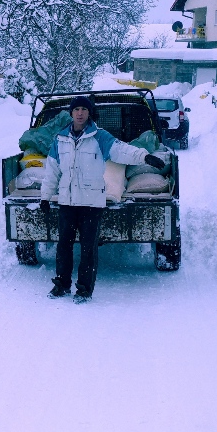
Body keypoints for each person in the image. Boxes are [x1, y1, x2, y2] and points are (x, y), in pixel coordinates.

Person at [39, 96, 165, 303]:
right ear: (71, 113)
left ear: (90, 113)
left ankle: (84, 289)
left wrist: (144, 157)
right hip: (67, 203)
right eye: (76, 109)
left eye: (84, 110)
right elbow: (52, 172)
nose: (80, 113)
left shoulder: (100, 137)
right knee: (63, 247)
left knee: (88, 248)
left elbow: (123, 150)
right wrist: (45, 197)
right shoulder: (59, 140)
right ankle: (61, 285)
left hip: (91, 203)